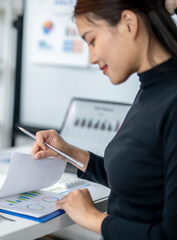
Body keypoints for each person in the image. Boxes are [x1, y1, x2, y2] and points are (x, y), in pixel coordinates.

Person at [32, 0, 177, 239]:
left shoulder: (171, 99)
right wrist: (70, 153)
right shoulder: (150, 89)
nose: (91, 57)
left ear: (129, 23)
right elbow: (141, 180)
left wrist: (93, 218)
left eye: (92, 40)